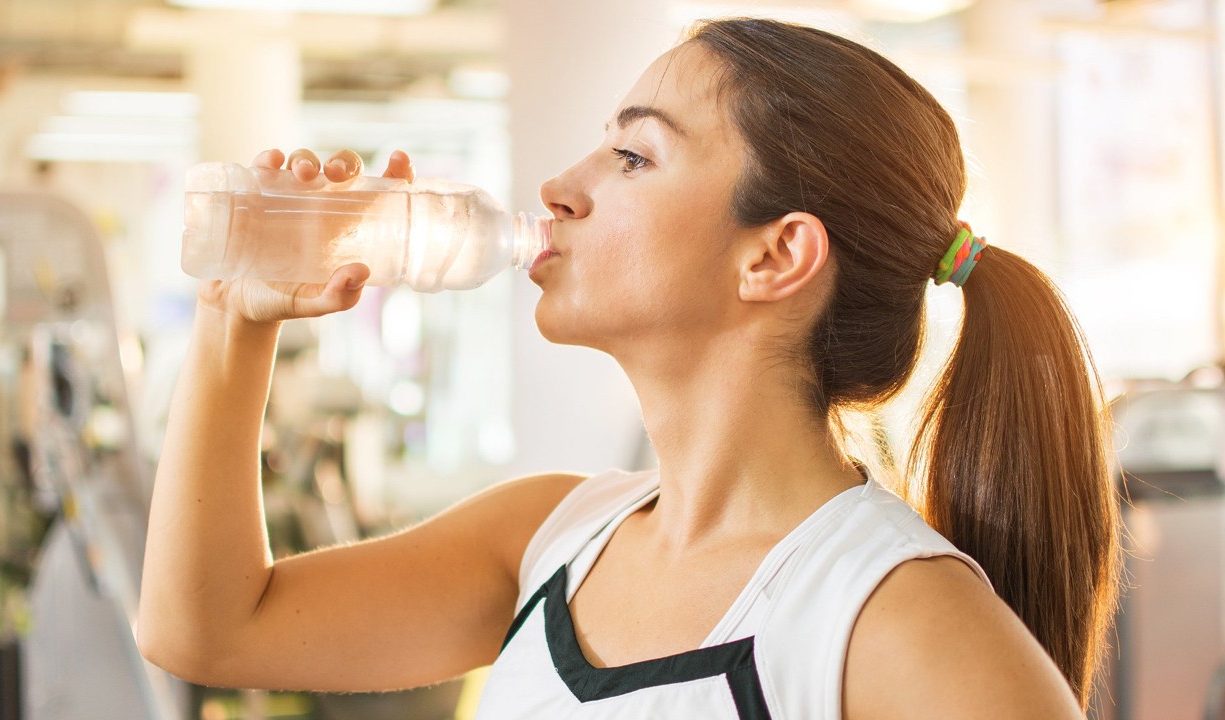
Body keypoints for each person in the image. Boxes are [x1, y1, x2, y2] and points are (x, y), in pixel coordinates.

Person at [138, 17, 1119, 719]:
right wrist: (239, 316)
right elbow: (212, 629)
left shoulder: (895, 616)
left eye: (633, 156)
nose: (559, 189)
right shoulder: (546, 538)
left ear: (774, 255)